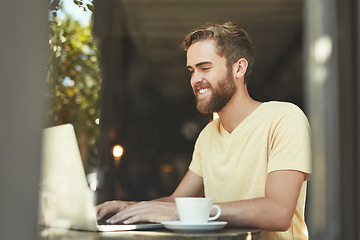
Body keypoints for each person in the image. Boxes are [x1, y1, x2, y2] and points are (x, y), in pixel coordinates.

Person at [96, 22, 312, 239]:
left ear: (239, 68)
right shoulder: (207, 135)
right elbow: (177, 203)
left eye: (205, 68)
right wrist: (129, 208)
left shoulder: (284, 118)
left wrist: (182, 212)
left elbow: (278, 212)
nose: (194, 79)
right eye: (191, 70)